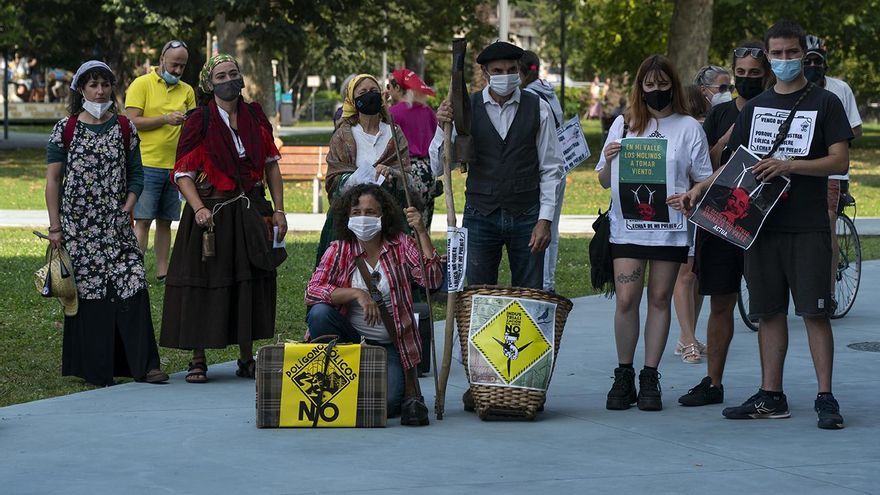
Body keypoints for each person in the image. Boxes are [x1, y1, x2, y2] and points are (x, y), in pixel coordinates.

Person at [680, 22, 853, 429]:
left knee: (814, 312)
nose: (786, 60)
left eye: (793, 53)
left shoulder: (825, 103)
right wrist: (700, 189)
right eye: (778, 54)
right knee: (768, 313)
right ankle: (771, 395)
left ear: (803, 55)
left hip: (807, 224)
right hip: (758, 226)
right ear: (769, 57)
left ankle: (826, 397)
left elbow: (839, 161)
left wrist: (789, 165)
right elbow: (733, 161)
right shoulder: (755, 108)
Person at [159, 54, 287, 383]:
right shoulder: (198, 120)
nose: (229, 80)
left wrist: (279, 209)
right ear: (208, 83)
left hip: (250, 210)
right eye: (221, 76)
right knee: (204, 284)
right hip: (210, 215)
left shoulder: (255, 116)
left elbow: (271, 164)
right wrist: (198, 207)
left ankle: (246, 358)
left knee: (247, 282)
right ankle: (197, 359)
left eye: (233, 73)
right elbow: (183, 173)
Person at [597, 55, 712, 411]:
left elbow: (705, 178)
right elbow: (603, 180)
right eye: (650, 84)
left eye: (663, 84)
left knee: (660, 299)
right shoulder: (624, 124)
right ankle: (624, 373)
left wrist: (692, 195)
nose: (656, 90)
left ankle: (650, 375)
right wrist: (610, 156)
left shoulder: (689, 127)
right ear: (639, 87)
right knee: (627, 300)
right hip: (628, 227)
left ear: (673, 86)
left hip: (670, 230)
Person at [45, 60, 168, 387]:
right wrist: (55, 227)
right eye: (93, 84)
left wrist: (128, 203)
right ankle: (96, 370)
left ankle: (146, 366)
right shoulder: (65, 128)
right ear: (81, 89)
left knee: (133, 285)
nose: (100, 91)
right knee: (90, 297)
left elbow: (137, 174)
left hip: (117, 232)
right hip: (78, 232)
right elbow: (53, 181)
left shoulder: (125, 127)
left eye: (105, 84)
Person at [677, 41, 772, 406]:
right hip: (721, 216)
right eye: (741, 74)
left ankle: (769, 388)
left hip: (762, 219)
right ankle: (713, 383)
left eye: (754, 74)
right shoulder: (719, 113)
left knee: (767, 307)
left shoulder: (775, 110)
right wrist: (727, 138)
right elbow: (706, 163)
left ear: (766, 76)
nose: (746, 80)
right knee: (720, 300)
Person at [306, 184, 443, 425]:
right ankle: (337, 375)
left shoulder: (401, 244)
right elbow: (313, 291)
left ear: (384, 216)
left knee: (387, 404)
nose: (362, 218)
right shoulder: (340, 249)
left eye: (370, 212)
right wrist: (357, 294)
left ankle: (361, 388)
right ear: (347, 216)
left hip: (388, 345)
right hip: (349, 342)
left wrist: (421, 232)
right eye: (356, 212)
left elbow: (432, 279)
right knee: (319, 314)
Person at [431, 41, 563, 290]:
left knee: (528, 293)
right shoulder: (465, 109)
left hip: (527, 215)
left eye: (511, 70)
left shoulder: (538, 108)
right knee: (480, 294)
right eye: (498, 71)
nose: (506, 76)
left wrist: (545, 220)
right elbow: (439, 167)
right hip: (481, 214)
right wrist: (441, 128)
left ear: (520, 70)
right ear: (485, 73)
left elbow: (551, 167)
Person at [317, 73, 411, 266]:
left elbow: (407, 177)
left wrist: (392, 173)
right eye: (363, 92)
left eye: (374, 91)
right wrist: (359, 177)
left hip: (388, 218)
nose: (370, 95)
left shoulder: (394, 132)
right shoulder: (343, 136)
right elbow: (334, 180)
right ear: (352, 99)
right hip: (351, 218)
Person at [125, 40, 196, 284]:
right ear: (162, 58)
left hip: (175, 167)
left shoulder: (187, 91)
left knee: (166, 221)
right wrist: (165, 119)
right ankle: (135, 269)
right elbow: (131, 121)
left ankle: (163, 272)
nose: (177, 70)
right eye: (174, 64)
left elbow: (193, 125)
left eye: (182, 66)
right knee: (143, 220)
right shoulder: (141, 84)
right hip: (146, 163)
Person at [803, 34, 862, 296]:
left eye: (817, 61)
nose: (813, 66)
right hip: (798, 167)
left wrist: (833, 136)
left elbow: (856, 128)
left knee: (827, 223)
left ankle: (826, 295)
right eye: (808, 61)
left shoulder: (840, 89)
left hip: (832, 172)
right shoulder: (793, 88)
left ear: (825, 63)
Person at [519, 50, 566, 293]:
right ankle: (548, 282)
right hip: (560, 168)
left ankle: (542, 284)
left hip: (541, 169)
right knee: (551, 228)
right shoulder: (549, 91)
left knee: (539, 228)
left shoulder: (528, 98)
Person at [388, 68, 442, 231]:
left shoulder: (393, 113)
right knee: (423, 222)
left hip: (407, 169)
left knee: (405, 220)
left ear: (398, 88)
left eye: (389, 86)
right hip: (428, 170)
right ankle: (425, 255)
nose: (388, 90)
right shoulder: (427, 111)